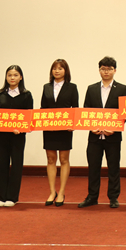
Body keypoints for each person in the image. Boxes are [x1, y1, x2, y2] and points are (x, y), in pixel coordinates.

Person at [78, 56, 126, 208]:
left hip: (113, 136)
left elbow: (124, 113)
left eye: (109, 69)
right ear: (99, 70)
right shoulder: (91, 88)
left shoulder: (122, 89)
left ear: (115, 70)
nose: (106, 72)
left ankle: (113, 197)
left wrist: (114, 128)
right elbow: (86, 111)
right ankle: (92, 197)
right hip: (94, 137)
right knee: (93, 168)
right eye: (103, 69)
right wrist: (91, 127)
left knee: (114, 168)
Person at [0, 65, 34, 207]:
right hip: (1, 136)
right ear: (6, 77)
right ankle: (1, 197)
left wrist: (21, 129)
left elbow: (29, 117)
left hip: (18, 136)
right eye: (9, 75)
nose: (12, 78)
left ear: (20, 77)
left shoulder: (26, 95)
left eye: (15, 75)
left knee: (16, 165)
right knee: (2, 164)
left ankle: (12, 197)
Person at [41, 58, 79, 206]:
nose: (57, 71)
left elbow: (75, 108)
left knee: (64, 159)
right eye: (54, 68)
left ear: (65, 71)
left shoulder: (72, 87)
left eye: (60, 68)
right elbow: (43, 108)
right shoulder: (46, 87)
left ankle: (61, 192)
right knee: (51, 159)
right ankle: (52, 192)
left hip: (65, 128)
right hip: (49, 127)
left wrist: (73, 124)